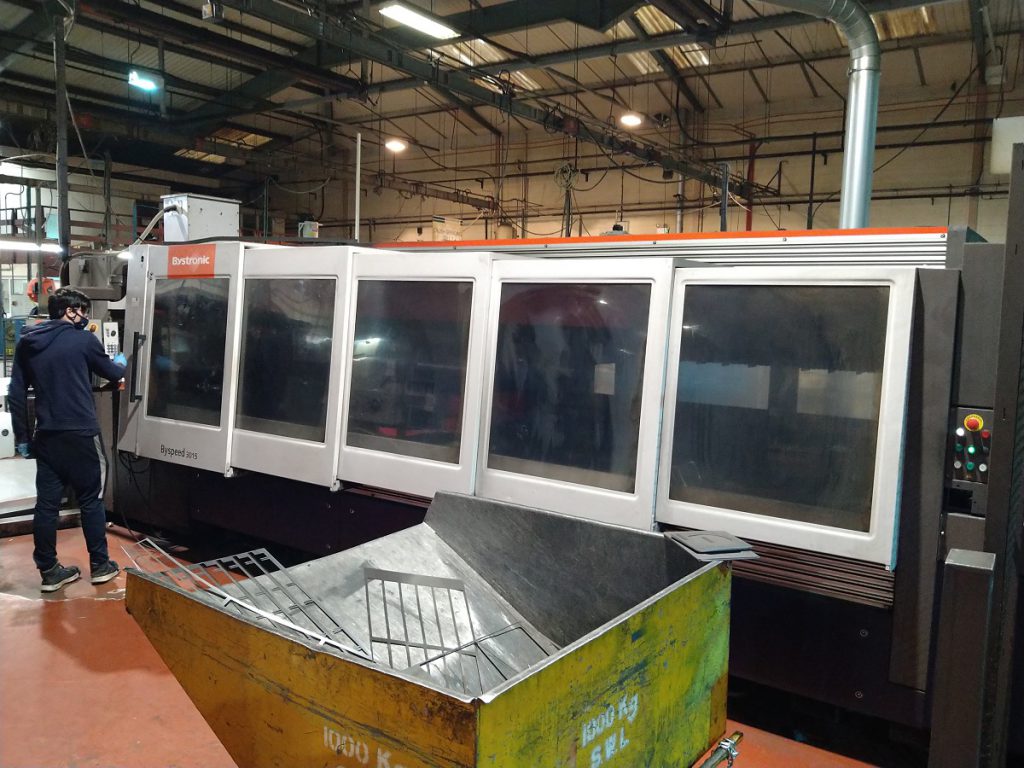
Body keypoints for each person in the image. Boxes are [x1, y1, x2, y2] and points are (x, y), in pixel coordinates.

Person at [8, 287, 127, 593]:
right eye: (82, 311)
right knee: (90, 498)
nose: (85, 317)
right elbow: (111, 372)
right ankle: (100, 565)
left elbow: (16, 394)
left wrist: (23, 437)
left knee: (46, 505)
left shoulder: (28, 342)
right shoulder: (84, 340)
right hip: (81, 434)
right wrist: (121, 363)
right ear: (70, 311)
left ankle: (49, 572)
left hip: (47, 435)